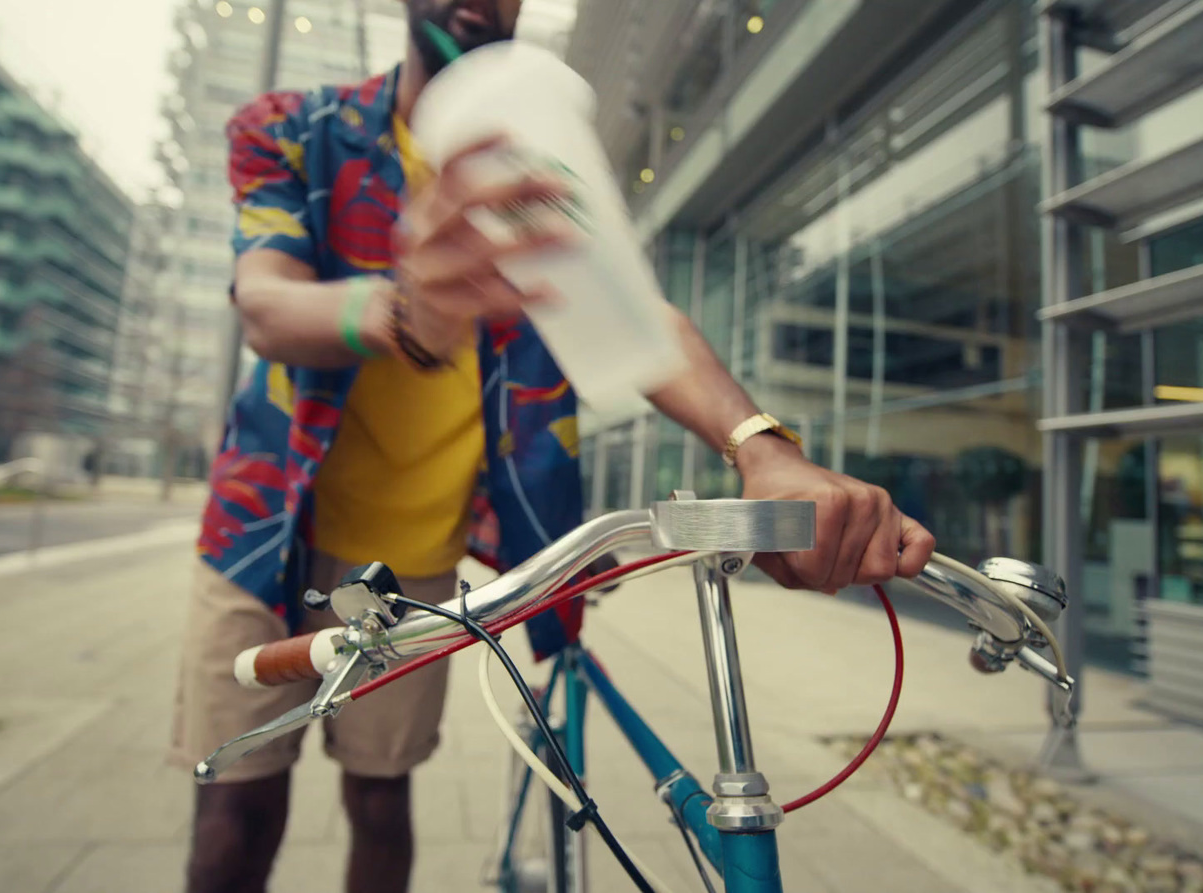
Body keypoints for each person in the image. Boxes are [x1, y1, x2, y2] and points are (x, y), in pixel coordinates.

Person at [169, 2, 937, 891]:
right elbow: (265, 303)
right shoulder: (290, 130)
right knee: (235, 815)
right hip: (261, 536)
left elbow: (639, 312)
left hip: (414, 562)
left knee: (381, 803)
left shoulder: (532, 146)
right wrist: (403, 311)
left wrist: (760, 444)